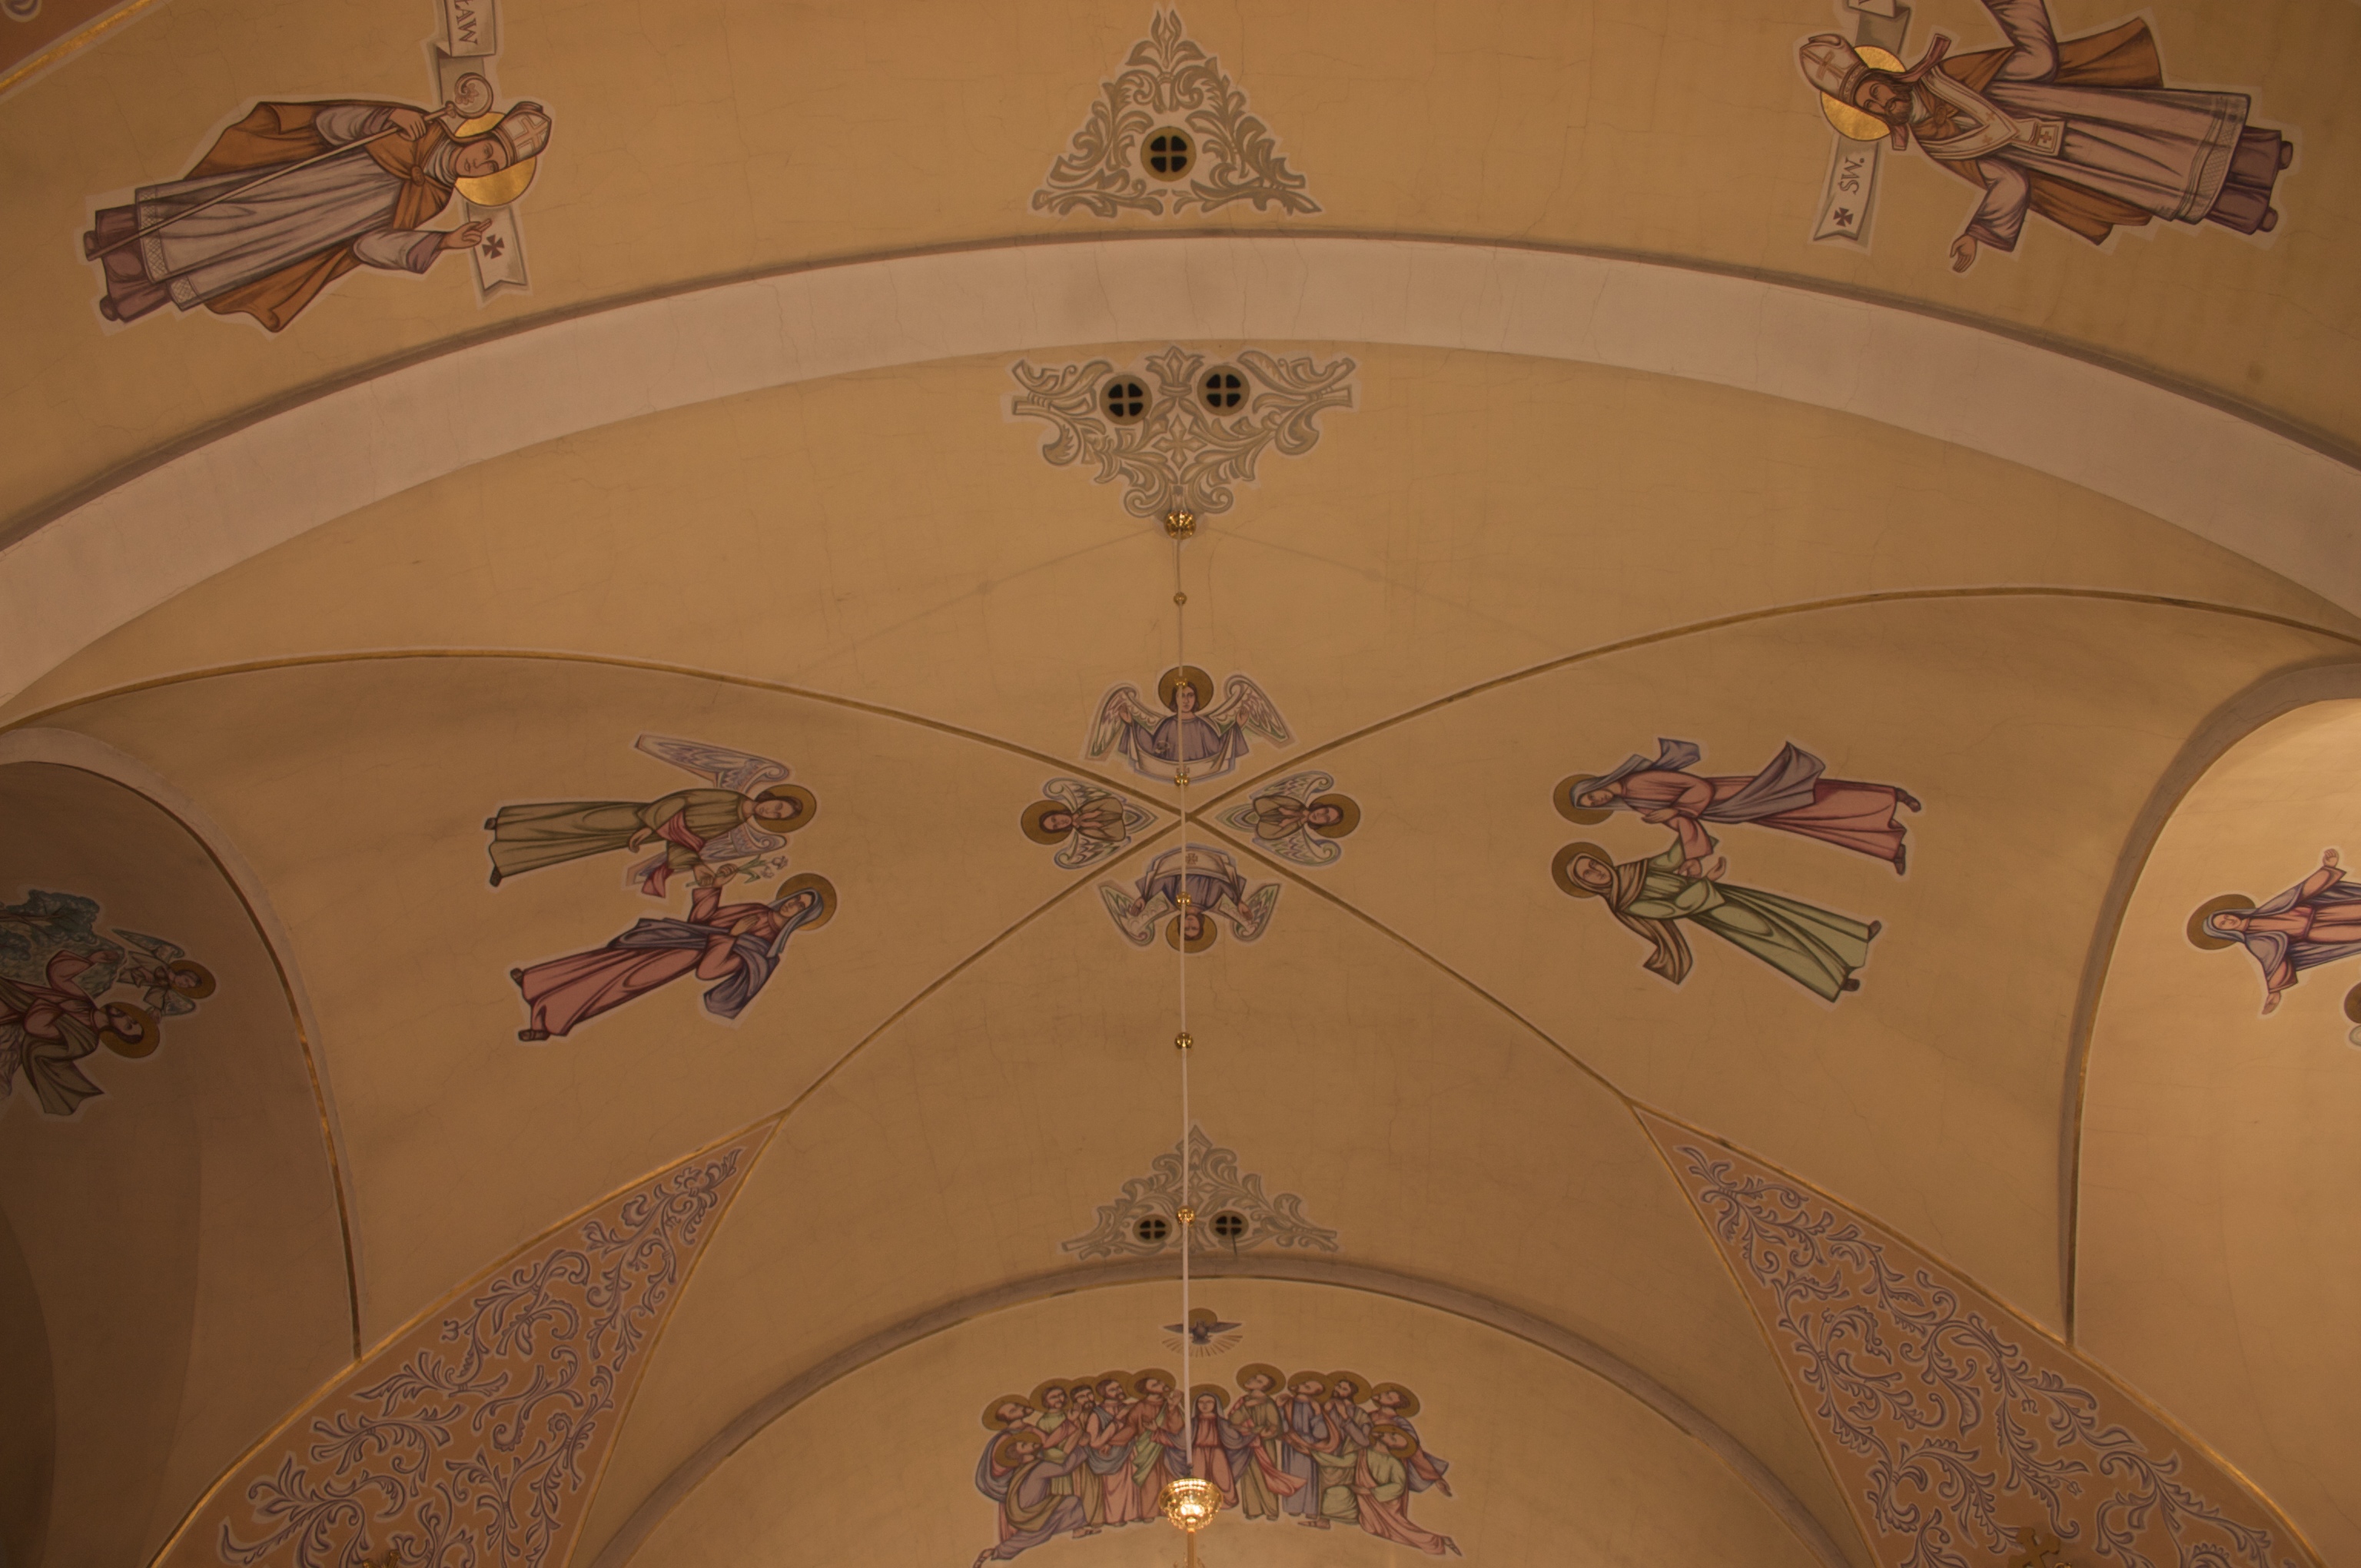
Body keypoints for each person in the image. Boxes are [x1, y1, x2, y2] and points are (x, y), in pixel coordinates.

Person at [1796, 2, 2292, 271]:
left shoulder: (1950, 75)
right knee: (2152, 180)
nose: (1883, 105)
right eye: (1872, 107)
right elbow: (2006, 179)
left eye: (1878, 93)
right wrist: (1978, 233)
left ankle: (2265, 155)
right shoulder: (1936, 144)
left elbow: (2035, 59)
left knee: (2165, 133)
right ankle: (2247, 209)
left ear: (1889, 78)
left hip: (2074, 112)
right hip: (2066, 162)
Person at [85, 97, 549, 331]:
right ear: (477, 136)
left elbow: (368, 245)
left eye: (493, 166)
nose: (481, 164)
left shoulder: (435, 198)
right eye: (487, 151)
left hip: (306, 236)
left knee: (233, 261)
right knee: (217, 221)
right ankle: (112, 246)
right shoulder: (419, 127)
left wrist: (441, 241)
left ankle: (129, 295)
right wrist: (382, 119)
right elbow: (329, 124)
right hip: (293, 189)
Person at [1557, 839, 1878, 1002]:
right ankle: (1834, 979)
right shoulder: (1625, 904)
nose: (1596, 871)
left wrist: (1687, 829)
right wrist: (1707, 881)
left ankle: (1855, 938)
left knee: (1785, 914)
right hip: (1710, 907)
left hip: (1719, 894)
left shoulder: (1632, 870)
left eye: (1592, 864)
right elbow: (1672, 909)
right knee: (1772, 937)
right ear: (1587, 885)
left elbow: (1668, 860)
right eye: (1587, 874)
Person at [510, 875, 828, 1039]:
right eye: (796, 899)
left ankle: (549, 1023)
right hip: (672, 938)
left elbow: (708, 971)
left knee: (619, 984)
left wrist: (731, 937)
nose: (793, 905)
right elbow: (702, 920)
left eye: (801, 907)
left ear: (802, 918)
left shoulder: (764, 950)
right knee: (605, 961)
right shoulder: (756, 910)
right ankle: (535, 980)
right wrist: (714, 888)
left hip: (679, 959)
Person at [1566, 739, 1918, 875]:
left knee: (1811, 798)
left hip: (1731, 795)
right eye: (1592, 806)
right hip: (1729, 810)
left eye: (1591, 796)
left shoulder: (1638, 784)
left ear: (1596, 784)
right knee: (1805, 820)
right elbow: (1680, 823)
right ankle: (1889, 846)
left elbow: (1698, 788)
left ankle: (1892, 796)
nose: (1598, 801)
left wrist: (1677, 812)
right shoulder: (1634, 801)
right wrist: (1692, 856)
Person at [486, 786, 807, 894]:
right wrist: (649, 823)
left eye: (778, 816)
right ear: (771, 797)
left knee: (579, 845)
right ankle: (506, 824)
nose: (772, 812)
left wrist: (696, 865)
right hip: (641, 817)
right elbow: (683, 799)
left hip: (654, 831)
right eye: (778, 806)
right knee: (580, 822)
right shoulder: (731, 799)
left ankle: (507, 860)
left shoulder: (737, 821)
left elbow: (689, 838)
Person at [2203, 849, 2361, 1014]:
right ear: (2225, 932)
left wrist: (2327, 869)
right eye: (2223, 924)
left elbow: (2301, 891)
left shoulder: (2266, 909)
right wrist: (2274, 991)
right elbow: (2273, 962)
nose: (2228, 920)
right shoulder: (2256, 941)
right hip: (2316, 933)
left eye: (2226, 916)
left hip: (2321, 912)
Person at [0, 946, 152, 1116]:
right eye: (134, 1020)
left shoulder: (85, 1040)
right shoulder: (86, 1004)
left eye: (128, 1026)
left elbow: (36, 1026)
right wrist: (90, 960)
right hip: (9, 991)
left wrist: (57, 1007)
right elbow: (58, 976)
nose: (128, 1018)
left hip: (10, 1011)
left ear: (118, 1034)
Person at [1101, 843, 1278, 949]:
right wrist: (1238, 901)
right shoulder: (1209, 903)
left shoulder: (1175, 902)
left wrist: (1144, 898)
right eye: (1194, 928)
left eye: (1186, 928)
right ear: (1201, 925)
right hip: (1206, 864)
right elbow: (1220, 885)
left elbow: (1166, 882)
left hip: (1179, 862)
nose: (1190, 924)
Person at [972, 1429, 1090, 1565]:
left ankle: (1076, 1530)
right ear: (1021, 1455)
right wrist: (1081, 1447)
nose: (1029, 1443)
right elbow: (1065, 1469)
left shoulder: (1023, 1468)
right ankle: (996, 1551)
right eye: (1024, 1445)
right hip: (1032, 1512)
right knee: (1042, 1529)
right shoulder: (1039, 1467)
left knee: (1070, 1504)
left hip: (1024, 1511)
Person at [1355, 1427, 1461, 1556]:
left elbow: (1399, 1485)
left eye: (1393, 1439)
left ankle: (1435, 1540)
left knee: (1398, 1528)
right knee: (1372, 1527)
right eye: (1392, 1434)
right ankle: (1439, 1540)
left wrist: (1370, 1491)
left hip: (1385, 1500)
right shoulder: (1365, 1450)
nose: (1390, 1436)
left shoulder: (1394, 1463)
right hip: (1369, 1501)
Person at [1227, 1366, 1307, 1520]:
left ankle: (1271, 1511)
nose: (1252, 1380)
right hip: (1246, 1445)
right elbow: (1232, 1421)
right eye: (1254, 1378)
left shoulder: (1268, 1403)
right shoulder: (1244, 1401)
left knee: (1266, 1476)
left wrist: (1254, 1430)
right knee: (1248, 1477)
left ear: (1264, 1387)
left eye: (1259, 1381)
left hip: (1264, 1446)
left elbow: (1275, 1427)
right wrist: (1246, 1408)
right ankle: (1253, 1510)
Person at [1086, 1375, 1141, 1525]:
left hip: (1129, 1451)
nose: (1118, 1391)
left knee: (1132, 1484)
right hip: (1111, 1457)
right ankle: (1115, 1518)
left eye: (1118, 1388)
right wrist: (1116, 1422)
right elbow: (1095, 1442)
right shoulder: (1097, 1414)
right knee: (1114, 1486)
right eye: (1113, 1389)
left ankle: (1133, 1513)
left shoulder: (1128, 1408)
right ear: (1103, 1393)